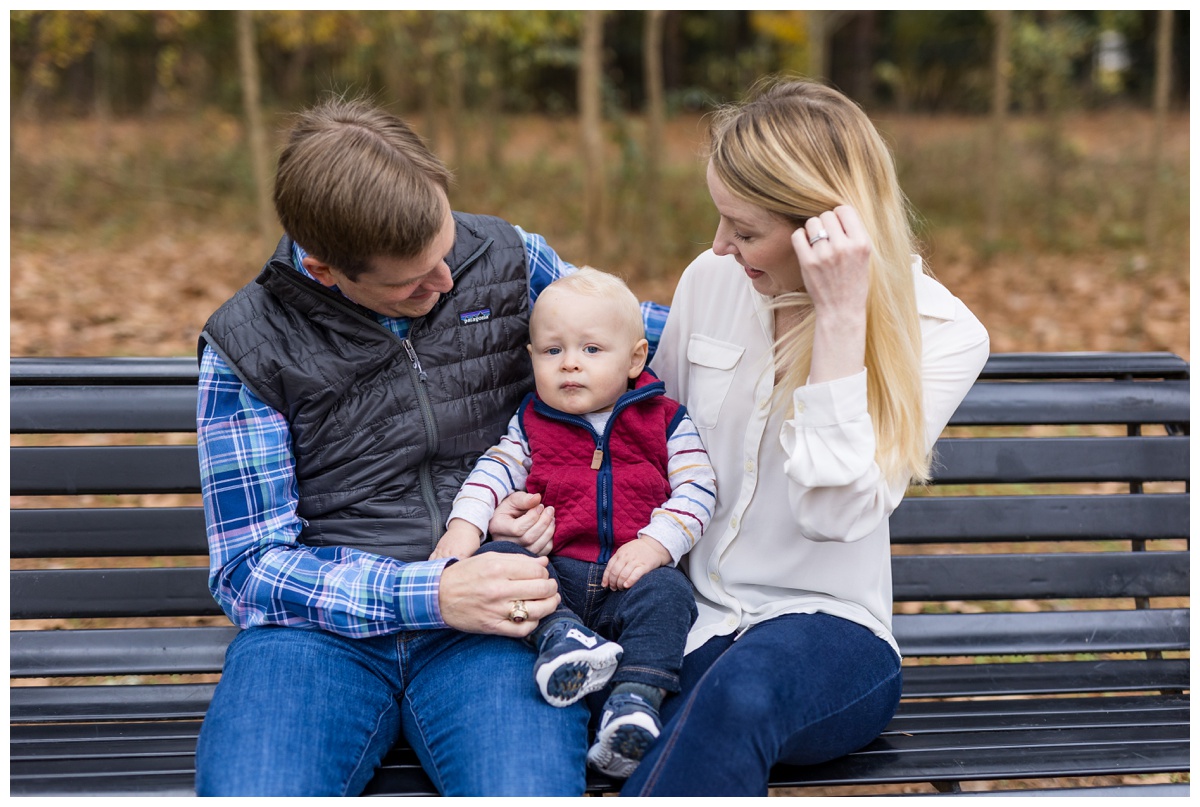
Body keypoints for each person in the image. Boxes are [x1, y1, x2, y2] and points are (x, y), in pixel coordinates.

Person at [192, 96, 668, 796]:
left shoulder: (504, 257)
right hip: (316, 641)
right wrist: (434, 591)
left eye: (446, 252)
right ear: (325, 269)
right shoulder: (249, 346)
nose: (447, 281)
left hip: (501, 628)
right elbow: (249, 568)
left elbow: (636, 334)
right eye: (413, 280)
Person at [610, 78, 991, 794]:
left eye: (745, 230)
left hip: (831, 634)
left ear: (824, 226)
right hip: (690, 620)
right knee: (618, 705)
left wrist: (841, 319)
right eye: (719, 219)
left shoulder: (943, 333)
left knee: (739, 694)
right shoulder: (711, 280)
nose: (721, 246)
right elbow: (653, 445)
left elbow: (832, 514)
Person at [431, 268, 714, 778]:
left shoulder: (666, 420)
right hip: (554, 574)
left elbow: (698, 489)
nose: (570, 365)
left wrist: (656, 544)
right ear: (533, 358)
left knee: (670, 594)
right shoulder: (532, 422)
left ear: (634, 359)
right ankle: (564, 640)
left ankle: (634, 701)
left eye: (590, 350)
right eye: (552, 351)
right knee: (502, 560)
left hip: (629, 578)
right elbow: (492, 472)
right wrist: (465, 529)